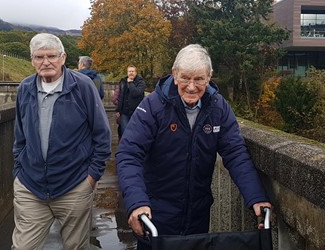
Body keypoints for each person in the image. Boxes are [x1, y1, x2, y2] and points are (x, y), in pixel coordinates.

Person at [116, 44, 273, 249]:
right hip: (155, 216)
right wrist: (137, 203)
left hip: (198, 217)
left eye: (199, 79)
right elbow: (129, 154)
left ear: (209, 77)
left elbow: (235, 153)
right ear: (174, 75)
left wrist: (256, 197)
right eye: (185, 78)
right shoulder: (153, 106)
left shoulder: (218, 107)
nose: (191, 87)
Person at [11, 33, 111, 249]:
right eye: (39, 57)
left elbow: (102, 135)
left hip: (74, 186)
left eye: (51, 56)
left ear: (63, 57)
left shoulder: (83, 87)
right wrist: (19, 170)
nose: (45, 62)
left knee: (75, 246)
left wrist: (91, 178)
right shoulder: (25, 88)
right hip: (31, 187)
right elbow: (19, 135)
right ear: (32, 60)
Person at [115, 65, 146, 138]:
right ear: (127, 72)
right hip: (124, 113)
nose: (131, 73)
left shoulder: (141, 82)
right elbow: (121, 96)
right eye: (129, 71)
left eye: (132, 71)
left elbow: (136, 93)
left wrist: (131, 83)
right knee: (125, 132)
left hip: (136, 112)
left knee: (135, 133)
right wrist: (118, 110)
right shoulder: (123, 81)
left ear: (136, 72)